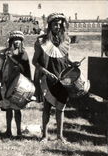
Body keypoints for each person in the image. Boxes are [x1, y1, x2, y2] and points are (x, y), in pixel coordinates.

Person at [32, 13, 80, 143]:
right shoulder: (42, 41)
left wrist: (73, 63)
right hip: (48, 78)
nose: (57, 27)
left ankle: (60, 136)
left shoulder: (65, 40)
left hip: (63, 78)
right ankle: (44, 136)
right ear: (50, 25)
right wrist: (46, 73)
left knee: (61, 107)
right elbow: (34, 62)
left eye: (60, 24)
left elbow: (65, 57)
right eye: (55, 24)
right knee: (47, 107)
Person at [0, 31, 31, 137]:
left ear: (21, 42)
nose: (17, 42)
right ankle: (8, 130)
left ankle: (19, 131)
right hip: (7, 82)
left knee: (17, 109)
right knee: (8, 109)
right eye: (15, 40)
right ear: (11, 41)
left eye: (19, 40)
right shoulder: (3, 54)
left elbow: (27, 70)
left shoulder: (24, 54)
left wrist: (29, 85)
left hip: (20, 84)